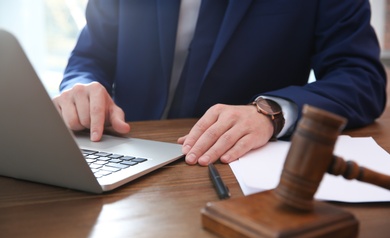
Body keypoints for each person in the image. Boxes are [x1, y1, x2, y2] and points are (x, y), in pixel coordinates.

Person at [54, 0, 387, 166]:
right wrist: (81, 86)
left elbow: (361, 78)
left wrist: (272, 112)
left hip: (226, 166)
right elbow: (90, 56)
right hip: (118, 149)